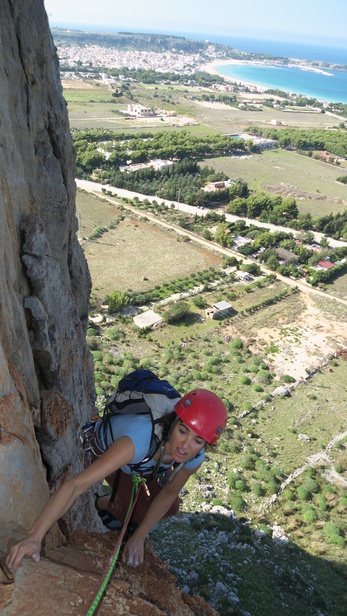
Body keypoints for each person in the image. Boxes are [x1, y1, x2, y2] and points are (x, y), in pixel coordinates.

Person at [6, 388, 227, 572]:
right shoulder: (138, 440)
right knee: (130, 510)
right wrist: (34, 536)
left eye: (198, 440)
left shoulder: (195, 456)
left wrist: (140, 537)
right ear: (173, 423)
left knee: (172, 506)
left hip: (144, 464)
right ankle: (105, 505)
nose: (186, 446)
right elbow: (76, 486)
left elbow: (169, 493)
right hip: (109, 452)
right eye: (182, 431)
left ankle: (119, 510)